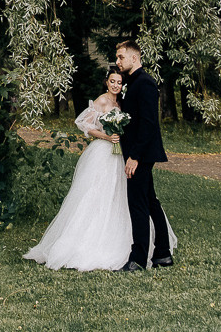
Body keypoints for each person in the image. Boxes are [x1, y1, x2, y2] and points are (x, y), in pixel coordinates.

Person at [22, 71, 134, 271]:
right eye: (112, 81)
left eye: (119, 82)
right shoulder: (102, 101)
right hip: (103, 151)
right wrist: (107, 137)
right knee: (95, 192)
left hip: (118, 154)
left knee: (116, 192)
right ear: (106, 82)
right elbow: (84, 124)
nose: (116, 85)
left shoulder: (121, 104)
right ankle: (81, 240)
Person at [113, 40, 172, 271]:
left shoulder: (145, 83)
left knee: (138, 204)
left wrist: (135, 156)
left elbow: (148, 123)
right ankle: (163, 253)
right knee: (150, 201)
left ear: (134, 58)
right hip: (139, 152)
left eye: (120, 57)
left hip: (142, 154)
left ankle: (138, 259)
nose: (118, 62)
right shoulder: (132, 82)